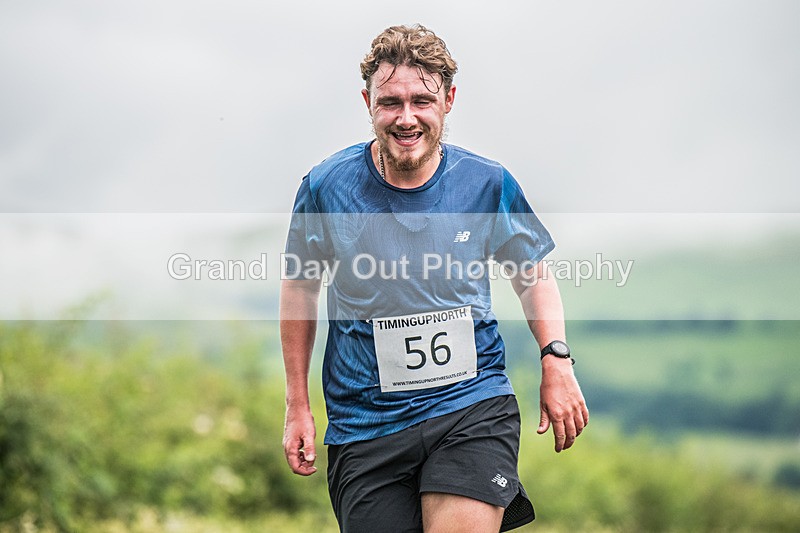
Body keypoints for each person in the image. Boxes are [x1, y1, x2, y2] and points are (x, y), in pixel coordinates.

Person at [280, 24, 588, 532]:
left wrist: (555, 357)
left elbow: (533, 275)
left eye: (422, 100)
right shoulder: (325, 187)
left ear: (448, 99)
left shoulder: (487, 183)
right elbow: (299, 290)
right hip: (366, 424)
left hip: (470, 407)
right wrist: (297, 405)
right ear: (367, 102)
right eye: (390, 102)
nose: (406, 118)